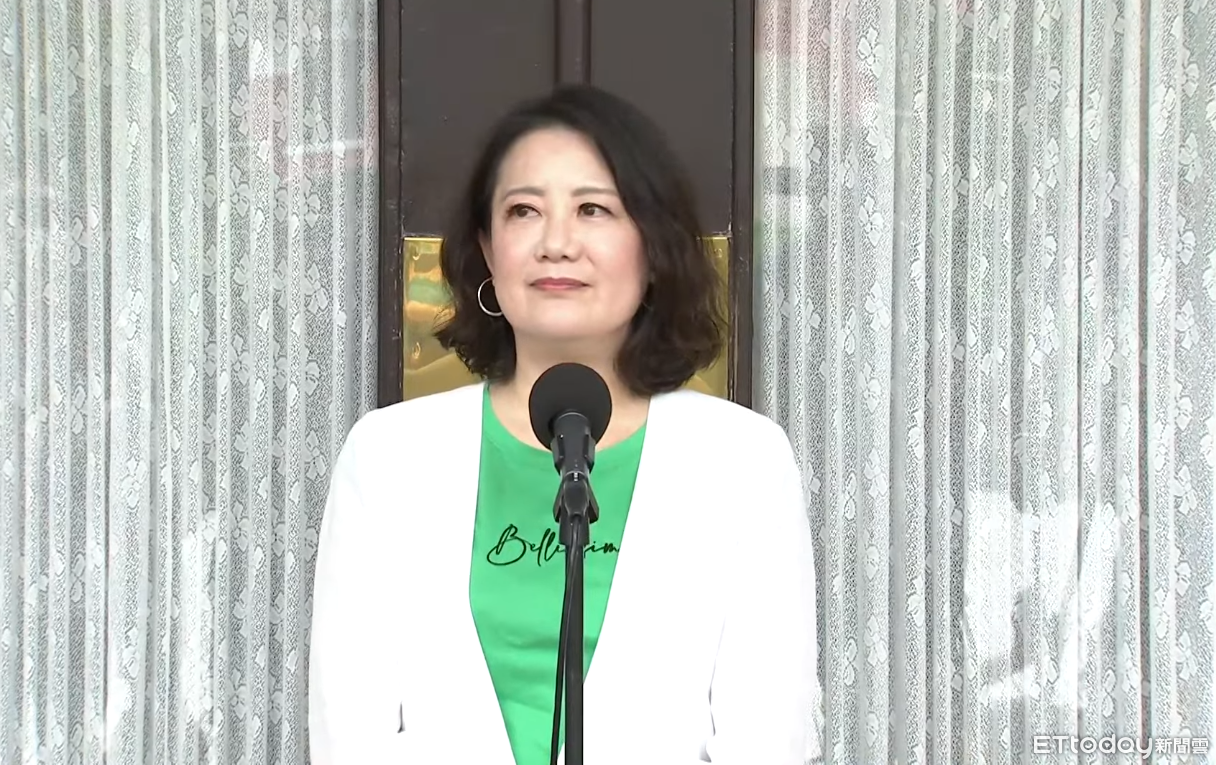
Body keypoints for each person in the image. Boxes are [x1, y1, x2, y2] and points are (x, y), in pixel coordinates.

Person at [307, 84, 820, 765]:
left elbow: (767, 739)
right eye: (523, 211)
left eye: (593, 209)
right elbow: (350, 736)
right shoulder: (388, 457)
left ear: (652, 245)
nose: (556, 243)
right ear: (488, 249)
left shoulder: (742, 462)